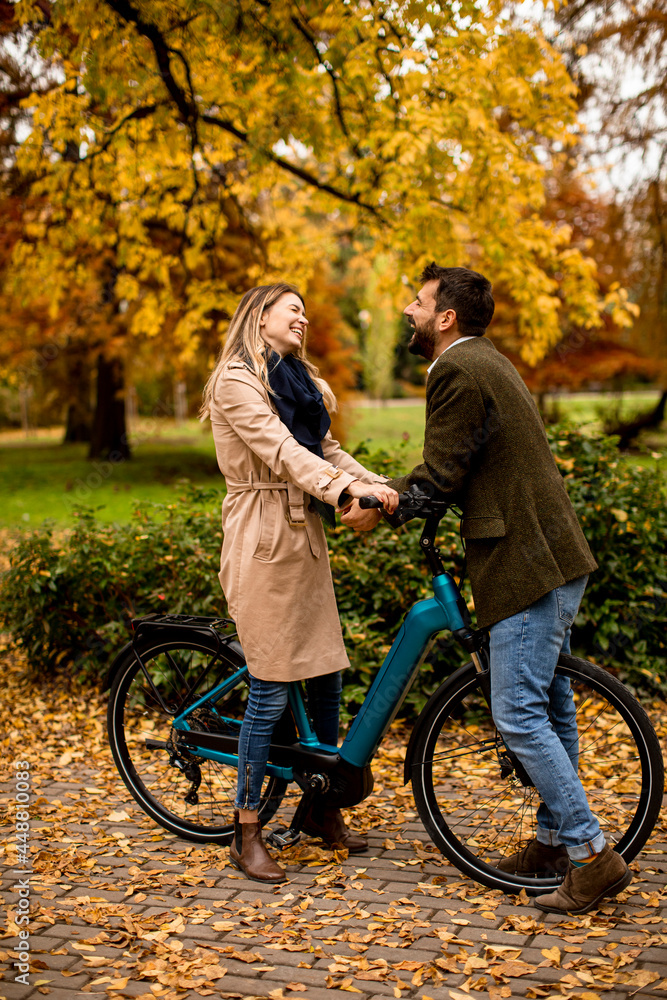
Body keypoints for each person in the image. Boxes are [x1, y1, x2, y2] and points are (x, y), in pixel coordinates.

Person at [341, 264, 632, 915]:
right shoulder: (487, 363)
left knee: (519, 712)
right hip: (551, 555)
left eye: (416, 303)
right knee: (550, 705)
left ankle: (590, 854)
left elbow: (441, 473)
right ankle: (555, 840)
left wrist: (382, 504)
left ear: (445, 316)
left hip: (523, 564)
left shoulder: (455, 370)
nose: (407, 311)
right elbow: (469, 462)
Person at [201, 282, 398, 883]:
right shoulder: (237, 381)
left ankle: (319, 809)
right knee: (269, 685)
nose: (304, 320)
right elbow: (282, 451)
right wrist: (343, 492)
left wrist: (379, 483)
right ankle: (246, 829)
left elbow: (326, 448)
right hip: (261, 538)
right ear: (260, 317)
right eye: (294, 310)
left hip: (302, 536)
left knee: (327, 676)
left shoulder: (296, 381)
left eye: (309, 313)